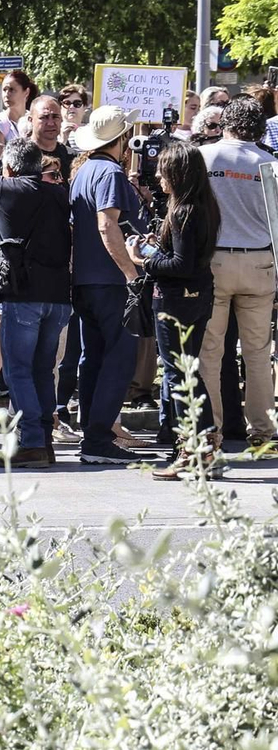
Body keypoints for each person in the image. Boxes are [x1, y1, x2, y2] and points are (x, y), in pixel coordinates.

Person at [0, 139, 73, 469]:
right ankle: (45, 440)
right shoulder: (61, 194)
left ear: (9, 168)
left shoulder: (9, 190)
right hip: (59, 297)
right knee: (42, 370)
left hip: (24, 296)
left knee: (18, 370)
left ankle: (32, 440)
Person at [67, 106, 147, 464]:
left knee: (93, 358)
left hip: (85, 280)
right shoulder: (111, 173)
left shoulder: (83, 171)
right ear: (122, 138)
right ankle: (98, 438)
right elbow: (107, 225)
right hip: (110, 282)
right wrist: (131, 273)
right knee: (118, 358)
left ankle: (93, 436)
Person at [198, 98, 277, 444]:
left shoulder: (205, 157)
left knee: (210, 351)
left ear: (226, 123)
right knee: (258, 352)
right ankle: (262, 429)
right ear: (259, 128)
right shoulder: (270, 163)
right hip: (260, 262)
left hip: (215, 261)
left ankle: (210, 429)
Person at [143, 142, 221, 478]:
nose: (159, 176)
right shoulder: (203, 206)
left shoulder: (184, 211)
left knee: (178, 376)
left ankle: (192, 449)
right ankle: (204, 445)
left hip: (177, 299)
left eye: (164, 169)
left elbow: (180, 263)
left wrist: (146, 259)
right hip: (199, 295)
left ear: (178, 174)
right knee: (187, 373)